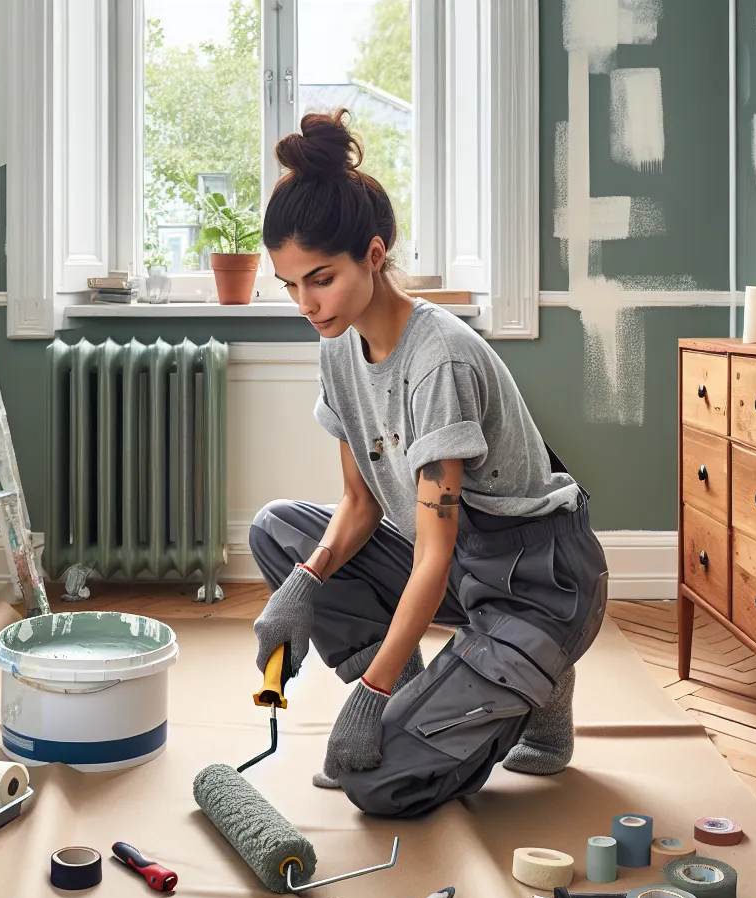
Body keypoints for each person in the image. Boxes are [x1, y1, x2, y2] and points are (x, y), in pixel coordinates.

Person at [249, 110, 609, 818]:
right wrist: (303, 582)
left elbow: (434, 556)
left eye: (319, 279)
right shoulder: (337, 347)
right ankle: (423, 690)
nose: (305, 304)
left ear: (374, 253)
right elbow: (359, 508)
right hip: (451, 566)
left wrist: (369, 698)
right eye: (290, 285)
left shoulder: (437, 358)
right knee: (276, 531)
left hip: (536, 584)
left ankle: (541, 677)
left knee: (378, 786)